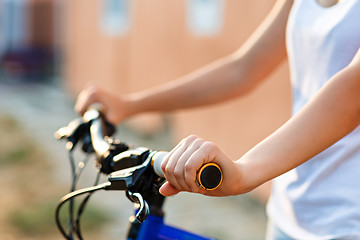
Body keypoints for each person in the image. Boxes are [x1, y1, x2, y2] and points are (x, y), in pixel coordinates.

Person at [75, 0, 360, 239]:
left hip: (348, 220)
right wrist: (130, 105)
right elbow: (243, 69)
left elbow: (352, 93)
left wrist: (245, 172)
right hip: (290, 211)